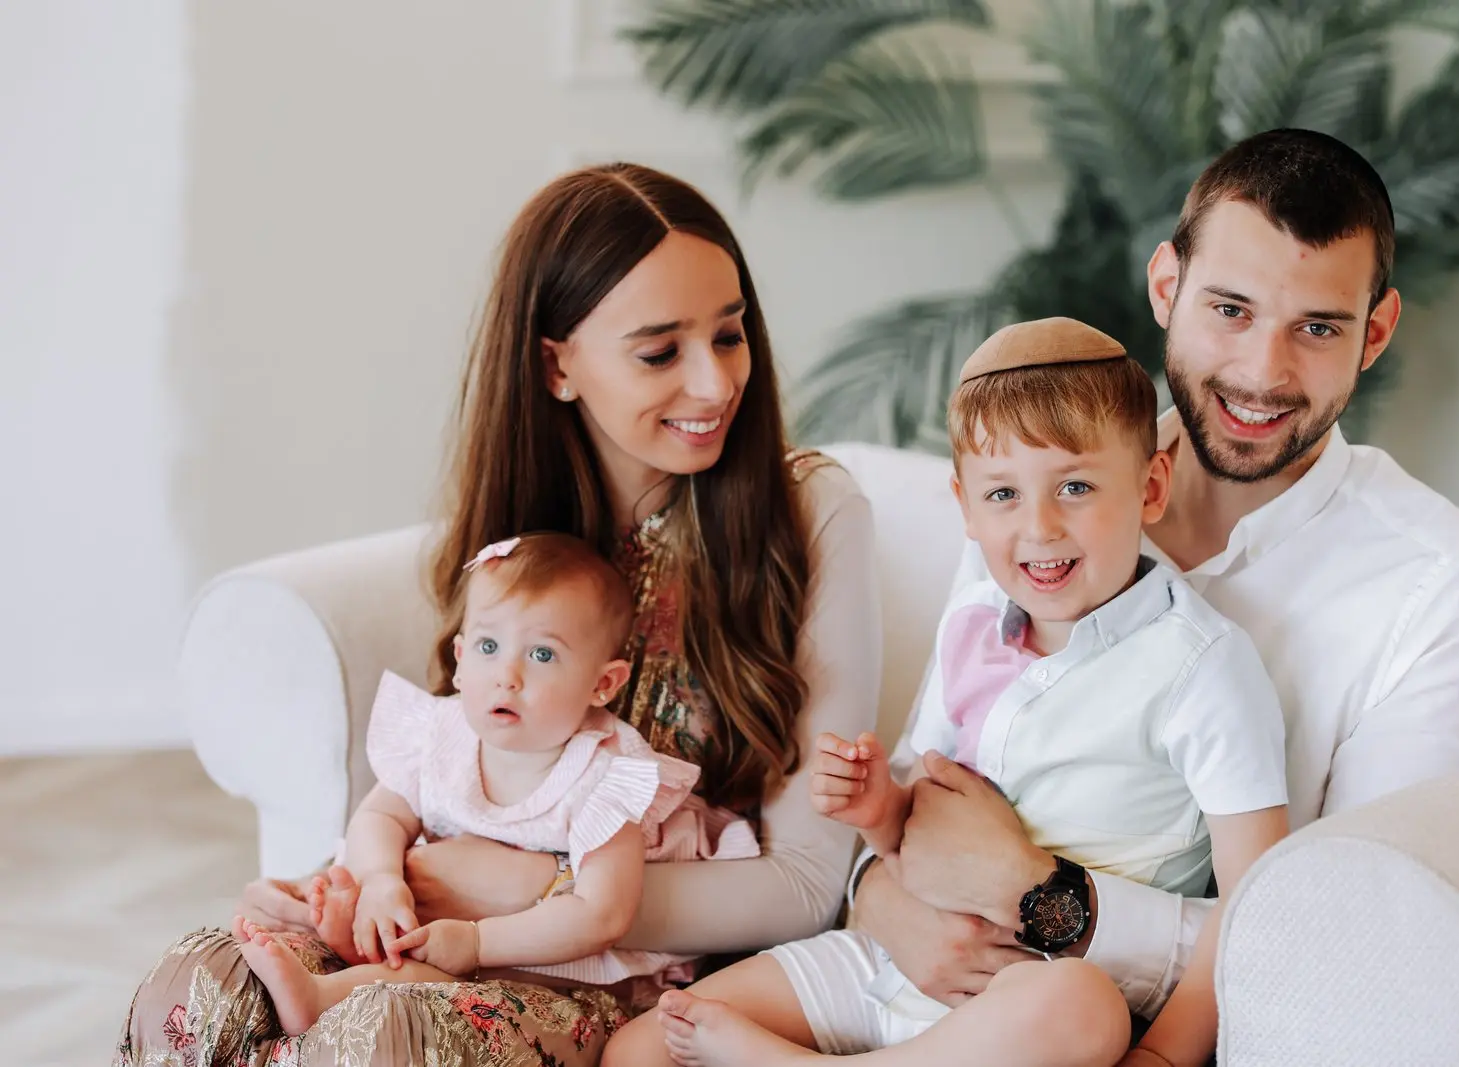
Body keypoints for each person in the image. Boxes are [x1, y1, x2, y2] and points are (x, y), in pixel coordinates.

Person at [116, 162, 881, 1067]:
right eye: (660, 350)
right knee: (200, 988)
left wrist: (525, 889)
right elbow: (454, 771)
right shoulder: (517, 542)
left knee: (383, 1039)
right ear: (557, 364)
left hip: (623, 969)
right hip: (438, 935)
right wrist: (358, 881)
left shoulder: (811, 513)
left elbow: (805, 883)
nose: (716, 384)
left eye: (730, 333)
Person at [848, 128, 1459, 1065]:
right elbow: (916, 780)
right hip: (923, 1007)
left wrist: (1043, 895)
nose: (1263, 371)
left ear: (1374, 332)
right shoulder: (1041, 490)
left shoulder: (1447, 592)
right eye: (1230, 309)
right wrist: (886, 903)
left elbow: (1351, 954)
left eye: (1318, 327)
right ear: (1166, 287)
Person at [604, 319, 1292, 1067]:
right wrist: (877, 809)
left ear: (1151, 484)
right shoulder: (972, 622)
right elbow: (918, 812)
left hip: (1040, 993)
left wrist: (1162, 1056)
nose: (1040, 526)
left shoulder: (1201, 665)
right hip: (904, 957)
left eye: (1075, 485)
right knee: (643, 1047)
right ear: (965, 507)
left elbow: (1257, 899)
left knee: (1080, 1005)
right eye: (1003, 493)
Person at [234, 531, 767, 1036]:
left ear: (602, 684)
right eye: (489, 647)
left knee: (451, 981)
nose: (507, 674)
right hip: (452, 919)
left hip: (563, 961)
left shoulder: (605, 775)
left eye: (542, 655)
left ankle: (324, 996)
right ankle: (356, 930)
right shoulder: (440, 735)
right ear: (461, 662)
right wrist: (380, 879)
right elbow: (381, 815)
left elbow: (601, 914)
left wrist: (477, 942)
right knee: (383, 907)